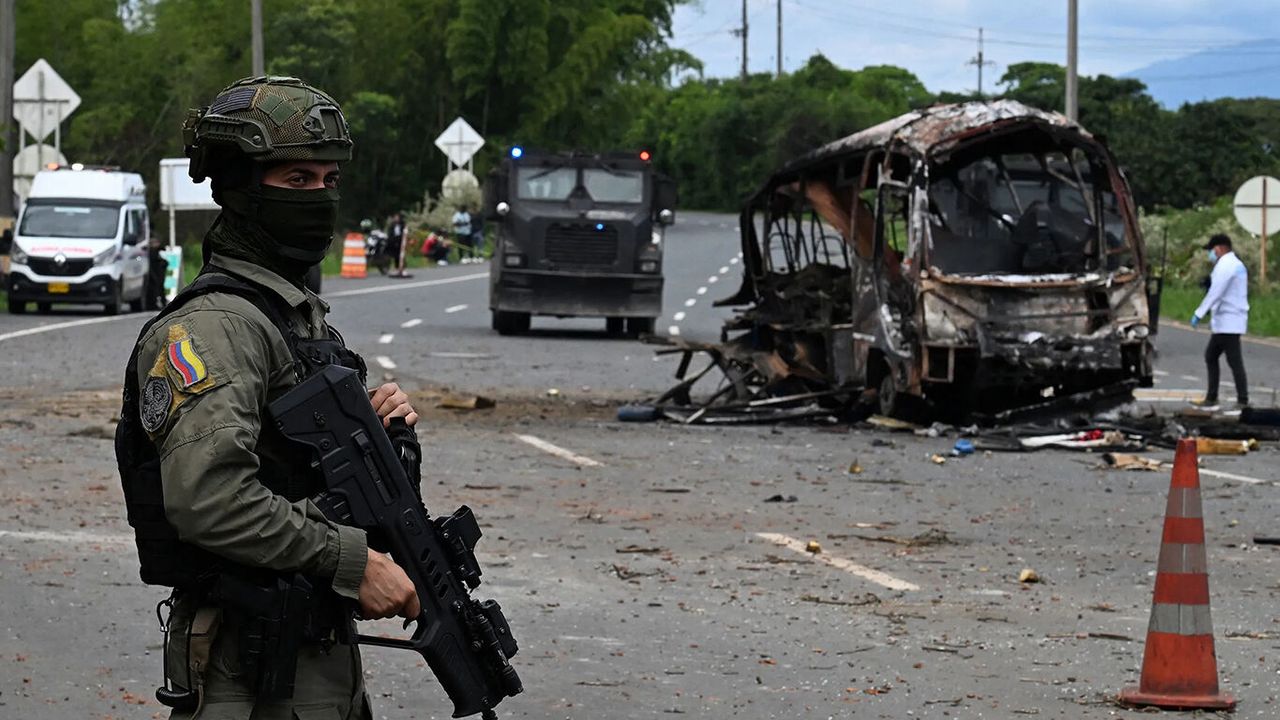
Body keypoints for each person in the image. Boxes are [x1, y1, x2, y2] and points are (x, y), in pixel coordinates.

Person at [115, 76, 422, 719]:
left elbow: (285, 459)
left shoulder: (289, 315)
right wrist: (352, 561)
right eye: (295, 181)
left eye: (327, 180)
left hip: (313, 658)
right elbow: (210, 497)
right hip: (248, 672)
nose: (318, 197)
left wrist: (366, 431)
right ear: (240, 190)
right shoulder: (214, 327)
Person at [1191, 233, 1250, 410]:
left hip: (1229, 321)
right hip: (1228, 319)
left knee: (1232, 360)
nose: (1211, 254)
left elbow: (1216, 292)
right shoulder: (1232, 264)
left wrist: (1199, 313)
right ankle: (1214, 397)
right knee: (1212, 356)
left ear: (1220, 248)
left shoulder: (1227, 265)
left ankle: (1241, 400)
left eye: (1212, 250)